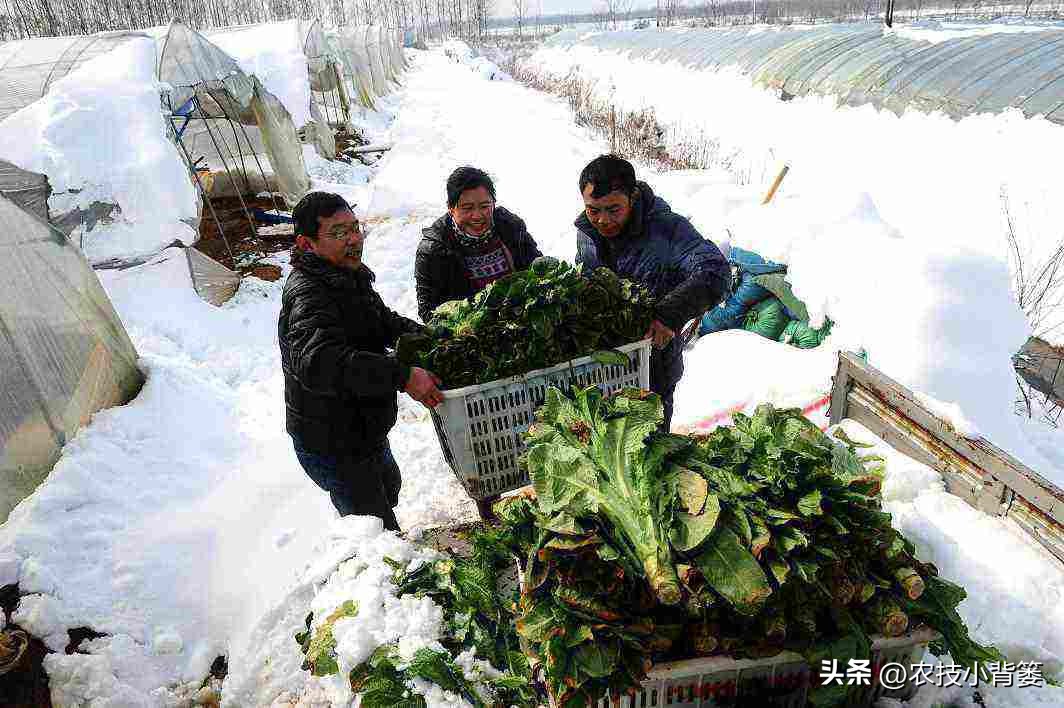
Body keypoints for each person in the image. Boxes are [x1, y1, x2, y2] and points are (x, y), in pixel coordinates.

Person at [278, 192, 443, 531]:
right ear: (307, 243)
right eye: (338, 233)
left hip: (362, 430)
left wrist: (436, 338)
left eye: (355, 228)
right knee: (375, 530)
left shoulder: (345, 274)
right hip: (333, 443)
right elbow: (320, 361)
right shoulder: (308, 292)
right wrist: (402, 375)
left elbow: (382, 322)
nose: (354, 239)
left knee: (388, 488)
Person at [575, 155, 730, 430]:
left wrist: (668, 315)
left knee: (647, 453)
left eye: (614, 209)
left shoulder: (667, 229)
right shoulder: (587, 233)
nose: (603, 220)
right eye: (593, 210)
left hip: (652, 368)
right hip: (601, 370)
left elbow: (714, 271)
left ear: (633, 197)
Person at [415, 166, 543, 322]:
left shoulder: (510, 226)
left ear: (493, 204)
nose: (477, 216)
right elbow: (428, 311)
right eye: (467, 208)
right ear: (451, 208)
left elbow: (539, 269)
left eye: (484, 206)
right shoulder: (433, 250)